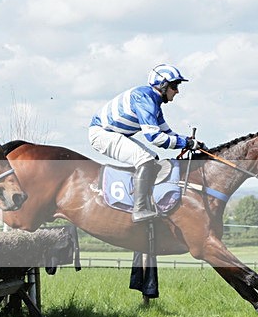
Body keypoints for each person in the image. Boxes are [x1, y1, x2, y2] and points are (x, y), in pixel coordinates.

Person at [88, 64, 206, 222]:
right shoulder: (144, 99)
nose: (177, 91)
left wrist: (191, 142)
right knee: (145, 160)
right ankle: (139, 209)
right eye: (174, 86)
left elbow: (167, 133)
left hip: (113, 133)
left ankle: (147, 202)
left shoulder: (153, 102)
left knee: (154, 159)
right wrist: (185, 143)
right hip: (102, 134)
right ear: (163, 85)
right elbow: (155, 138)